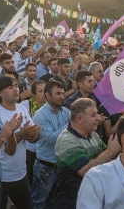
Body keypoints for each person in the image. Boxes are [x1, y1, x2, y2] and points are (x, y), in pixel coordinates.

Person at [51, 98, 120, 208]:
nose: (98, 118)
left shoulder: (92, 135)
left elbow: (108, 160)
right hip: (72, 201)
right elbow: (85, 170)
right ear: (79, 119)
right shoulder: (67, 140)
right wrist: (111, 152)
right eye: (93, 115)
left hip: (90, 197)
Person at [0, 76, 41, 209]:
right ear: (0, 93)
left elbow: (32, 137)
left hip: (20, 174)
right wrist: (23, 134)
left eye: (16, 86)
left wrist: (34, 134)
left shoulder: (21, 108)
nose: (15, 89)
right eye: (10, 87)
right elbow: (0, 144)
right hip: (1, 176)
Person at [31, 80, 71, 208]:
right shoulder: (40, 115)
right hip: (45, 167)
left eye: (63, 93)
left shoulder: (66, 112)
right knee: (38, 203)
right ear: (47, 95)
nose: (61, 97)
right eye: (58, 93)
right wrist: (71, 125)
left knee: (54, 202)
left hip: (61, 166)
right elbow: (50, 138)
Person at [21, 81, 47, 184]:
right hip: (30, 148)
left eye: (45, 91)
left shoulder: (50, 106)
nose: (43, 93)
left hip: (45, 147)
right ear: (34, 93)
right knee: (31, 177)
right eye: (40, 91)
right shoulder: (25, 105)